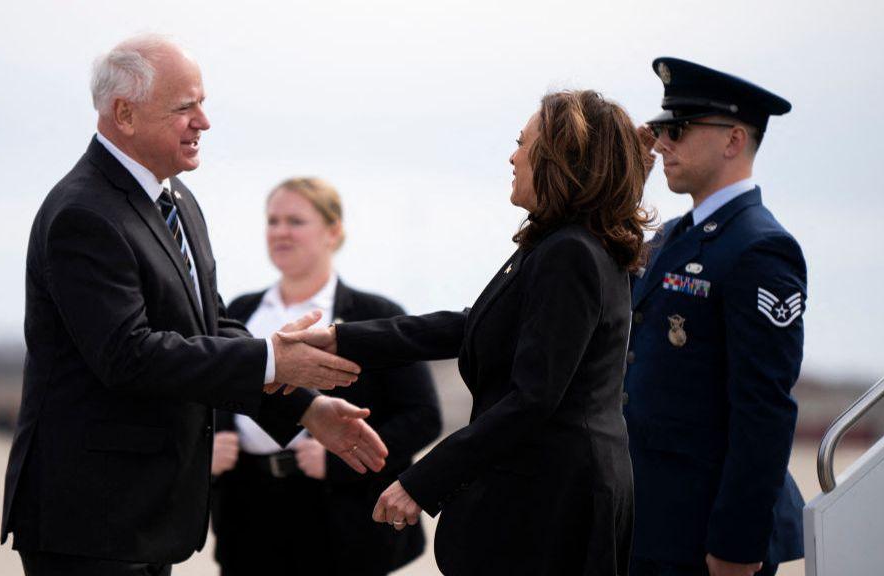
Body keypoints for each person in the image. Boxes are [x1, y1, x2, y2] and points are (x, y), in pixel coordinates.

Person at [0, 34, 388, 576]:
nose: (203, 122)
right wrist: (272, 360)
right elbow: (128, 356)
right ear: (124, 114)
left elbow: (211, 326)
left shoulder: (176, 199)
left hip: (149, 518)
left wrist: (305, 407)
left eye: (202, 104)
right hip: (91, 519)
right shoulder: (83, 213)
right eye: (185, 108)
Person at [282, 90, 653, 576]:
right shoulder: (567, 243)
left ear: (560, 159)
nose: (513, 156)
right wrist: (343, 340)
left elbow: (534, 399)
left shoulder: (570, 253)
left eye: (523, 143)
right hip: (554, 494)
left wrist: (423, 481)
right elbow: (472, 323)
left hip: (552, 505)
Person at [623, 57, 806, 576]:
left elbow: (764, 413)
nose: (661, 144)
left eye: (676, 130)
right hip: (650, 524)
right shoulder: (675, 237)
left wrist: (737, 546)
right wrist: (626, 183)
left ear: (733, 140)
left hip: (705, 539)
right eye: (661, 130)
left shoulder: (760, 249)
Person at [209, 177, 443, 576]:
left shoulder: (376, 313)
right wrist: (211, 445)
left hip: (341, 512)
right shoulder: (241, 310)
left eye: (295, 221)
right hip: (246, 506)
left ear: (333, 231)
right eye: (273, 221)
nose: (280, 231)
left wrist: (338, 460)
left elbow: (423, 417)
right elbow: (213, 387)